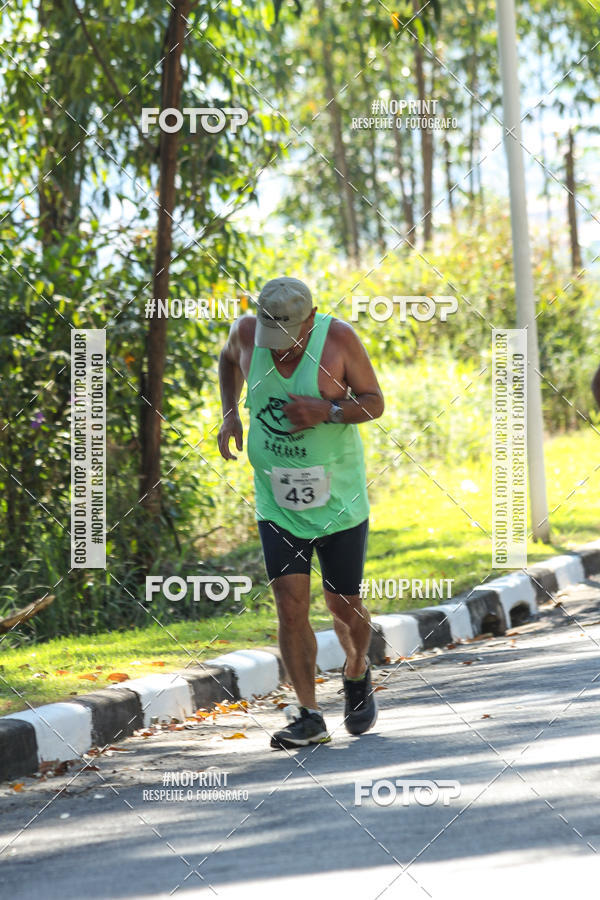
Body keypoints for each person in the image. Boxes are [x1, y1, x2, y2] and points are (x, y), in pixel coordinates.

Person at [217, 276, 384, 749]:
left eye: (289, 337)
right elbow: (227, 360)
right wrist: (230, 412)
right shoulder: (246, 333)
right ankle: (309, 715)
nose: (280, 348)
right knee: (290, 608)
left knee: (342, 605)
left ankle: (357, 667)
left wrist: (327, 411)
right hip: (277, 502)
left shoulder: (340, 340)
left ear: (310, 319)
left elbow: (374, 403)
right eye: (273, 336)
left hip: (339, 501)